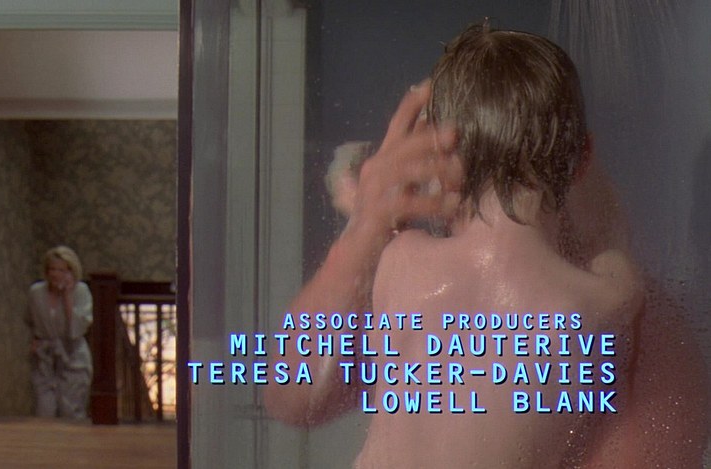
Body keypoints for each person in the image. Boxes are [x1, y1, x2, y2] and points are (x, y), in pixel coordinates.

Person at [265, 23, 708, 467]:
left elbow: (299, 389)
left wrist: (366, 227)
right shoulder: (593, 302)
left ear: (441, 158)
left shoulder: (401, 258)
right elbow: (292, 397)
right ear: (583, 160)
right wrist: (608, 234)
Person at [26, 245, 93, 419]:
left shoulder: (81, 291)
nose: (56, 274)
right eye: (52, 269)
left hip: (73, 357)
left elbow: (77, 329)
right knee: (44, 410)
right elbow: (30, 320)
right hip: (45, 358)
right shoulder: (36, 292)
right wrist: (34, 341)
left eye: (62, 270)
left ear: (71, 272)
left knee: (70, 411)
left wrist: (67, 296)